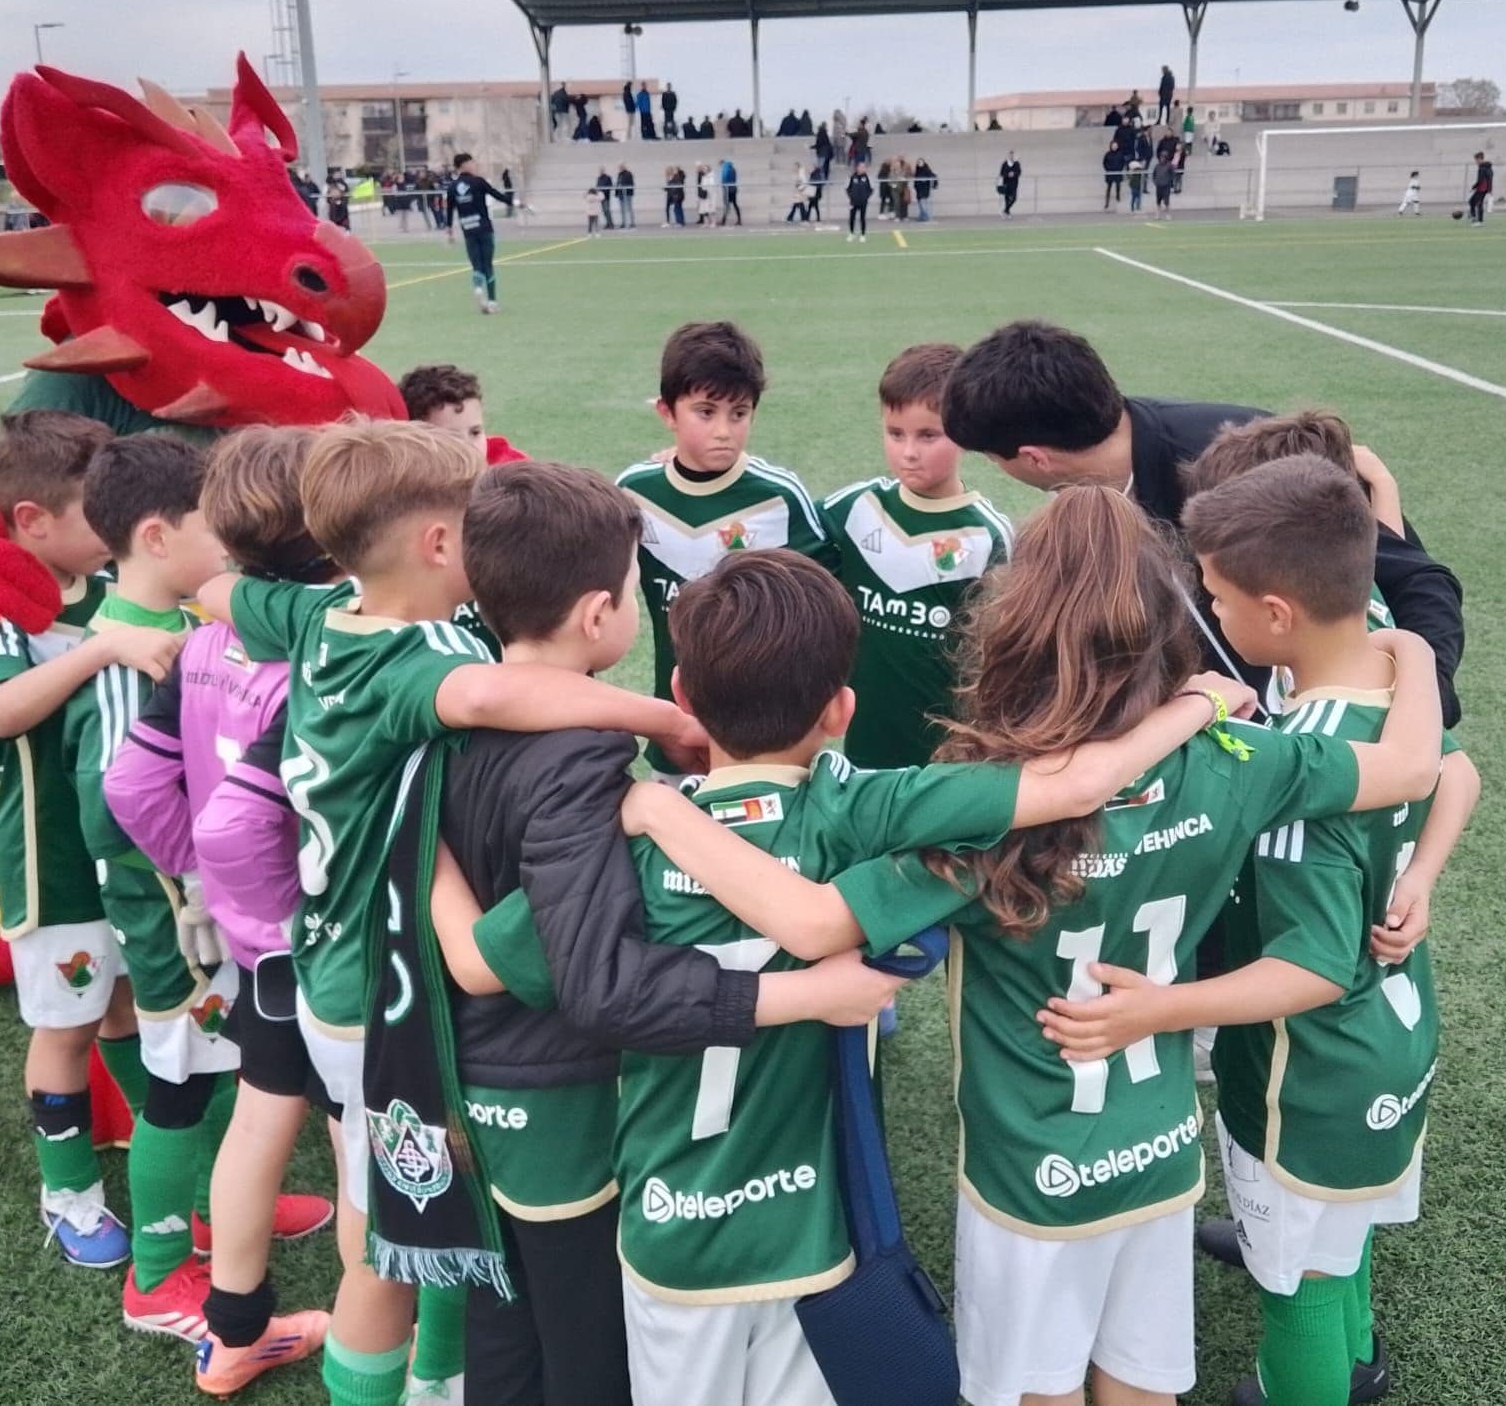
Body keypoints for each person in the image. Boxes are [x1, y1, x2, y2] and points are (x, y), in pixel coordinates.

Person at [614, 492, 1443, 1406]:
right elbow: (1414, 766)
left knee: (1032, 1392)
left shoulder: (986, 803)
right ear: (1171, 630)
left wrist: (657, 808)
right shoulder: (1237, 755)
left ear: (1014, 630)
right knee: (1142, 1388)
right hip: (1158, 1150)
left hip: (1029, 1172)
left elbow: (812, 922)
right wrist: (1406, 645)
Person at [457, 547, 1261, 1406]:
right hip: (814, 1230)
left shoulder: (625, 843)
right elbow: (1076, 786)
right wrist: (1201, 698)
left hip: (673, 1236)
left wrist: (415, 840)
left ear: (684, 695)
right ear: (841, 710)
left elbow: (475, 964)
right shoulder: (858, 809)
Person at [194, 421, 704, 1406]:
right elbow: (492, 695)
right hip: (368, 994)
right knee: (384, 1241)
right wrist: (670, 720)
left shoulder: (320, 616)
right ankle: (387, 1383)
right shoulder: (415, 667)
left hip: (325, 959)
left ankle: (429, 1370)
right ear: (438, 545)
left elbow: (221, 590)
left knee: (410, 1223)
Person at [1047, 454, 1478, 1406]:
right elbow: (1457, 771)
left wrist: (1160, 1009)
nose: (1212, 613)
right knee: (1340, 1235)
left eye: (1217, 596)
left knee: (1298, 1289)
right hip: (1395, 1037)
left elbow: (1314, 967)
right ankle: (1358, 1362)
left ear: (1275, 614)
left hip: (1309, 1068)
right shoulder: (1376, 665)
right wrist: (1423, 873)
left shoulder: (1296, 771)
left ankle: (1311, 1383)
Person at [425, 462, 807, 1406]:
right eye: (636, 590)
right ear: (600, 614)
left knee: (503, 1322)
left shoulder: (436, 709)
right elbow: (594, 981)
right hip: (557, 1097)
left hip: (465, 1074)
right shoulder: (585, 764)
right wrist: (778, 998)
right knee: (589, 1344)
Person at [101, 428, 344, 1394]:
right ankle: (385, 1324)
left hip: (252, 941)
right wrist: (278, 908)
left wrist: (202, 878)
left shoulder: (202, 642)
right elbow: (248, 825)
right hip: (317, 940)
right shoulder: (323, 656)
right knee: (353, 1128)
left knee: (258, 1117)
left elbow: (133, 783)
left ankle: (234, 1331)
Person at [938, 320, 1468, 727]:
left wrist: (1422, 709)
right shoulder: (1084, 508)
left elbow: (1416, 579)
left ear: (1033, 458)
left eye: (991, 457)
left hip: (1311, 747)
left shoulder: (1240, 463)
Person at [59, 434, 249, 1342]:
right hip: (177, 918)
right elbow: (116, 807)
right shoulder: (131, 655)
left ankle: (214, 1212)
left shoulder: (177, 628)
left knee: (217, 1070)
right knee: (179, 1086)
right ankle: (158, 1276)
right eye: (214, 524)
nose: (229, 541)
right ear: (156, 535)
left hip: (202, 902)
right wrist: (198, 882)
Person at [0, 411, 153, 1274]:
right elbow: (0, 709)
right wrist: (99, 649)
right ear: (32, 522)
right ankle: (68, 1195)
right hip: (55, 864)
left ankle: (168, 1178)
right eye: (92, 513)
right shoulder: (1, 597)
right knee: (67, 1023)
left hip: (131, 853)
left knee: (127, 1009)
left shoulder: (117, 580)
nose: (111, 530)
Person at [616, 321, 826, 784]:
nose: (724, 431)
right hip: (677, 727)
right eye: (705, 412)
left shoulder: (780, 497)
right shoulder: (634, 493)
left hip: (768, 734)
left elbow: (822, 605)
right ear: (667, 413)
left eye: (739, 413)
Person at [819, 342, 1011, 767]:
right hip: (863, 746)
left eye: (928, 435)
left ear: (964, 432)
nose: (908, 451)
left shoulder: (987, 536)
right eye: (895, 433)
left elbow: (1001, 657)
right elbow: (786, 526)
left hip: (946, 756)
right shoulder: (855, 509)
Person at [448, 152, 513, 314]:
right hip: (484, 229)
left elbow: (449, 211)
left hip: (468, 230)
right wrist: (515, 202)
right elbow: (496, 195)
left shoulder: (452, 187)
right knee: (488, 265)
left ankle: (478, 288)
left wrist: (449, 231)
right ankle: (492, 302)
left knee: (476, 265)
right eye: (472, 163)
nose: (474, 165)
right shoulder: (478, 182)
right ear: (464, 165)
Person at [845, 163, 871, 241]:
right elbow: (847, 188)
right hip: (853, 202)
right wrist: (851, 196)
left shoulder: (867, 177)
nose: (863, 168)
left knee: (862, 218)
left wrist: (866, 197)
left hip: (863, 202)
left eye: (864, 167)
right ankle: (851, 233)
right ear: (857, 168)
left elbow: (871, 189)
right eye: (861, 167)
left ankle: (862, 235)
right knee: (852, 218)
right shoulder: (852, 177)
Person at [1467, 152, 1493, 224]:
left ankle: (1479, 220)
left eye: (1476, 160)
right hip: (1484, 189)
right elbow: (1490, 179)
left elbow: (1480, 180)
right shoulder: (1489, 167)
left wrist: (1473, 187)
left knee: (1478, 204)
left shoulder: (1482, 168)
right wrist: (1490, 189)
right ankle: (1473, 217)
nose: (1475, 162)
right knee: (1472, 201)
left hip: (1482, 189)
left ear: (1479, 159)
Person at [1103, 138, 1127, 210]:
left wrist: (1119, 169)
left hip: (1118, 173)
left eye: (1116, 145)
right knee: (1109, 188)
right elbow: (1104, 163)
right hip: (1110, 173)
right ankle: (1107, 203)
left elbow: (1123, 163)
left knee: (1118, 186)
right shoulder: (1107, 154)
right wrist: (1108, 169)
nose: (1114, 147)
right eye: (1113, 145)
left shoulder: (1120, 154)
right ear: (1111, 146)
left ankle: (1118, 198)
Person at [1153, 149, 1177, 219]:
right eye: (1161, 157)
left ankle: (1168, 215)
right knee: (1158, 201)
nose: (1162, 158)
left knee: (1166, 201)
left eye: (1163, 157)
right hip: (1159, 185)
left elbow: (1173, 175)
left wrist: (1169, 182)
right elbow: (1154, 174)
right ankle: (1157, 215)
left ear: (1166, 158)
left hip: (1166, 186)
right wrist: (1155, 181)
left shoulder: (1169, 166)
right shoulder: (1157, 166)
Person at [717, 156, 741, 226]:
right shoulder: (732, 168)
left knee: (727, 205)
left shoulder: (725, 168)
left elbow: (724, 179)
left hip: (727, 189)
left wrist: (723, 184)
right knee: (734, 204)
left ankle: (723, 221)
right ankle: (738, 220)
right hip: (733, 188)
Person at [998, 150, 1021, 217]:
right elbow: (1002, 173)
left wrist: (1013, 174)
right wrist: (1008, 174)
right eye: (1010, 155)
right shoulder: (1004, 164)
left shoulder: (1017, 163)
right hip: (1006, 183)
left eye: (1012, 155)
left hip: (1014, 184)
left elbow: (1019, 172)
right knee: (1007, 198)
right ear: (1008, 156)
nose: (1011, 156)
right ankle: (1007, 212)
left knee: (1014, 198)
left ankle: (1005, 210)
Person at [693, 162, 712, 226]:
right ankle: (704, 220)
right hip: (701, 192)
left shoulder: (703, 174)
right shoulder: (700, 174)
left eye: (698, 167)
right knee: (701, 207)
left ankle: (707, 221)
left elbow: (704, 184)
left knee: (705, 207)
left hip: (704, 193)